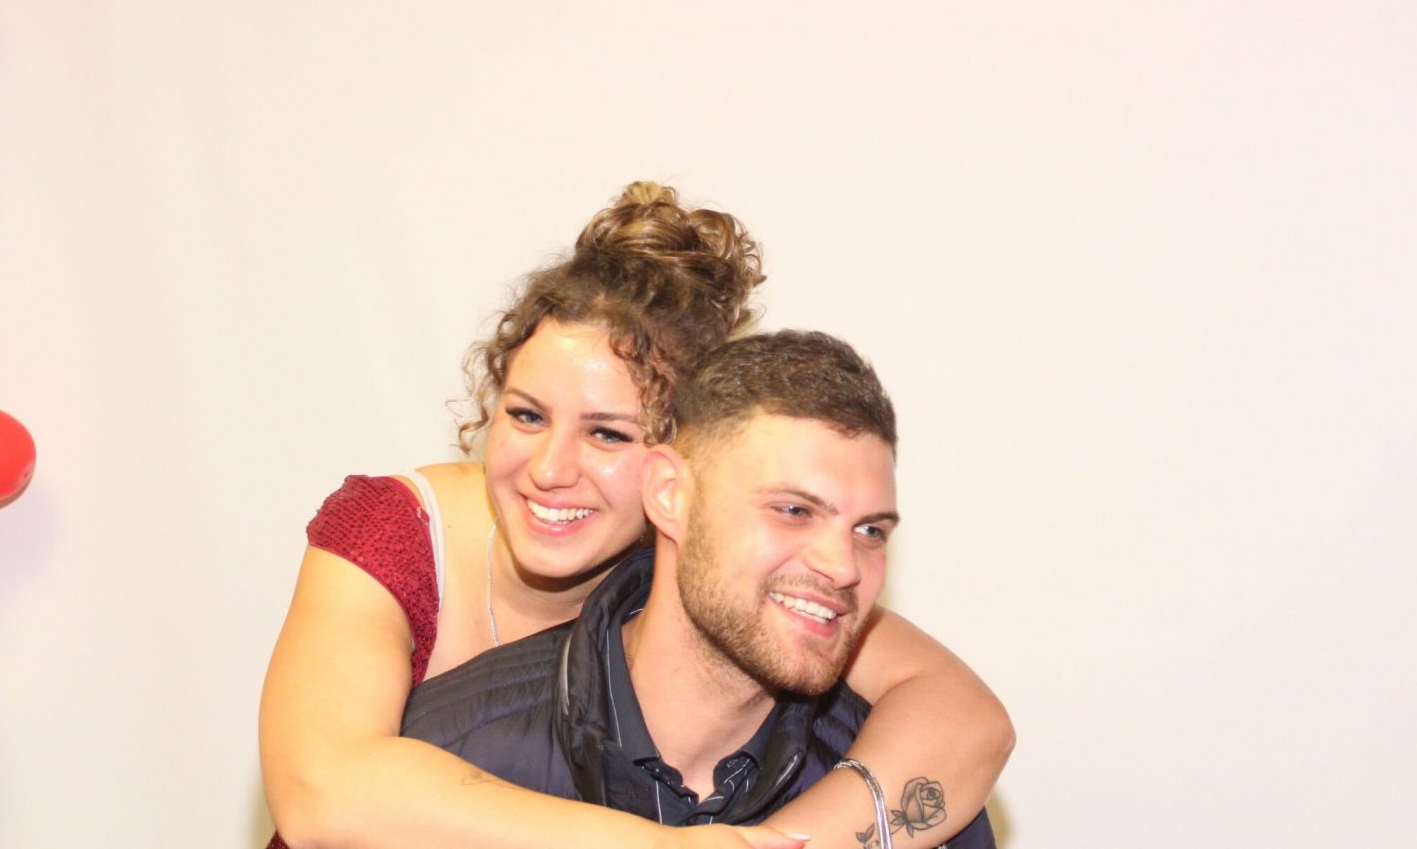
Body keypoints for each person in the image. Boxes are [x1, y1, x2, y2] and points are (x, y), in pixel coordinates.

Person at [260, 183, 1012, 849]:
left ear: (674, 477)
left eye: (608, 434)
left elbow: (962, 717)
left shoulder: (704, 557)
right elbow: (321, 793)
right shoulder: (395, 534)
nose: (550, 469)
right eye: (526, 415)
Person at [399, 330, 995, 848]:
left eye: (869, 531)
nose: (843, 567)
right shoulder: (451, 755)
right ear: (669, 495)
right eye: (793, 510)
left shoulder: (907, 778)